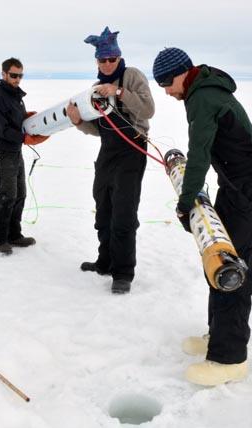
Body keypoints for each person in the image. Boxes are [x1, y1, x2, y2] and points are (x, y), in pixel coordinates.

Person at [152, 47, 252, 385]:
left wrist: (186, 200)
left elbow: (199, 154)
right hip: (237, 185)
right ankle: (218, 336)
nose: (166, 90)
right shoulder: (203, 91)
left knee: (232, 266)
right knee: (214, 257)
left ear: (183, 72)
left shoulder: (202, 98)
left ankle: (229, 358)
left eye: (167, 81)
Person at [67, 27, 155, 294]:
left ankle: (123, 272)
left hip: (133, 151)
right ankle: (105, 261)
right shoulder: (95, 89)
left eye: (111, 59)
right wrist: (79, 122)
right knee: (103, 207)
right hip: (107, 152)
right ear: (97, 61)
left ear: (118, 58)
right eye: (102, 60)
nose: (107, 64)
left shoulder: (132, 76)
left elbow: (148, 109)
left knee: (124, 213)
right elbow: (99, 128)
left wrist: (118, 92)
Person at [0, 57, 47, 255]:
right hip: (0, 153)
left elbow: (13, 121)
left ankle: (13, 235)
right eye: (13, 75)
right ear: (3, 74)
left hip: (13, 152)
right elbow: (2, 129)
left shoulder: (14, 96)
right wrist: (26, 138)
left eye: (20, 75)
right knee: (7, 196)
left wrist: (27, 118)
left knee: (20, 194)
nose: (17, 79)